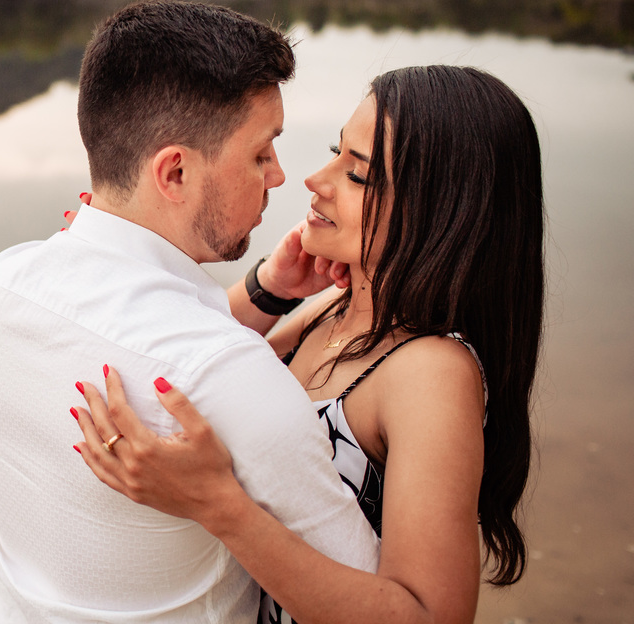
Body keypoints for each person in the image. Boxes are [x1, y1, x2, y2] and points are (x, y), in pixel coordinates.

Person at [70, 65, 544, 624]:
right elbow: (201, 369)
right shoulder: (329, 311)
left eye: (359, 176)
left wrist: (217, 505)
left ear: (443, 211)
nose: (315, 180)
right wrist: (270, 289)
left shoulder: (430, 372)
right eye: (334, 153)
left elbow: (431, 615)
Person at [0, 0, 379, 624]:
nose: (279, 176)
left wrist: (266, 291)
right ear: (176, 171)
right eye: (262, 152)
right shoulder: (228, 376)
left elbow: (154, 336)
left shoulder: (5, 283)